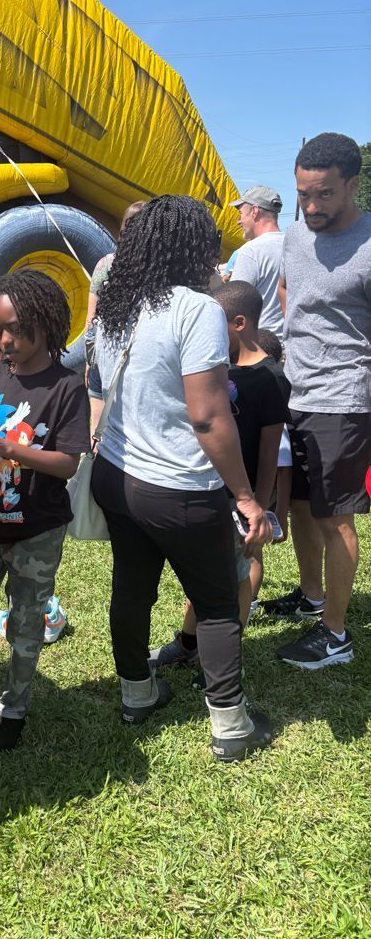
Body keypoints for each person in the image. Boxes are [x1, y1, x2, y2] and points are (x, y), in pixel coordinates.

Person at [90, 195, 273, 762]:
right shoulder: (197, 311)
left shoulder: (116, 307)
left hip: (119, 478)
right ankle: (230, 726)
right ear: (191, 247)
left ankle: (136, 695)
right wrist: (245, 495)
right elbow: (209, 415)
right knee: (217, 603)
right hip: (182, 489)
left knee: (132, 589)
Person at [0, 268, 90, 752]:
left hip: (37, 529)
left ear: (45, 324)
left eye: (14, 329)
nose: (4, 340)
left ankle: (14, 710)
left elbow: (66, 463)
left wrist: (1, 446)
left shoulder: (66, 388)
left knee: (26, 624)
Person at [267, 133, 370, 669]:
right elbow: (290, 289)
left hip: (344, 399)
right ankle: (311, 599)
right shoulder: (293, 236)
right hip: (295, 391)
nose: (311, 207)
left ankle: (335, 636)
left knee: (336, 518)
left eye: (324, 195)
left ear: (353, 184)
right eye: (303, 194)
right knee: (303, 505)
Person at [150, 281, 289, 671]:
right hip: (204, 490)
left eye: (213, 324)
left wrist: (257, 505)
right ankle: (188, 643)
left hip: (240, 501)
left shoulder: (270, 378)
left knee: (238, 577)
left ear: (238, 323)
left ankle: (225, 654)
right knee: (202, 576)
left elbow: (270, 452)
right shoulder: (216, 367)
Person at [85, 201, 146, 436]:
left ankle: (94, 465)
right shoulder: (157, 269)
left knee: (97, 425)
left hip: (104, 353)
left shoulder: (106, 264)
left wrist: (90, 360)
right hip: (135, 357)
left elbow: (92, 318)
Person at [227, 186, 285, 338]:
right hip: (294, 348)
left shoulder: (251, 251)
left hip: (261, 349)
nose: (239, 221)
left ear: (254, 211)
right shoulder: (296, 245)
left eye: (241, 214)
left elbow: (234, 305)